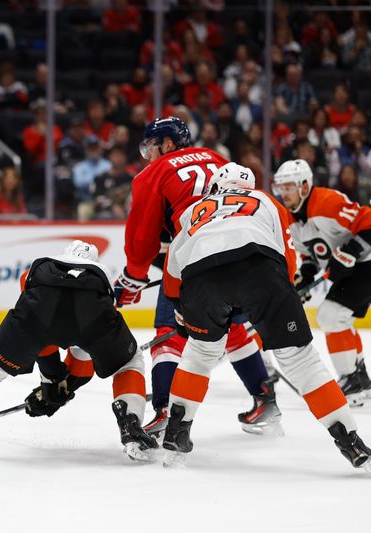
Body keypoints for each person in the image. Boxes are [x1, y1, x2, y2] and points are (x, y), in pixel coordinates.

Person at [162, 162, 371, 471]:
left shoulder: (194, 209)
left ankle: (176, 434)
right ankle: (350, 442)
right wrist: (280, 296)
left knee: (199, 354)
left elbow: (173, 268)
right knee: (300, 360)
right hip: (258, 271)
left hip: (200, 280)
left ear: (216, 188)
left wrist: (180, 307)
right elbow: (286, 255)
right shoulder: (265, 200)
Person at [0, 241, 157, 461]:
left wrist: (51, 379)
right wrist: (61, 385)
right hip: (91, 314)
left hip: (35, 314)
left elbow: (42, 332)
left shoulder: (39, 268)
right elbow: (84, 353)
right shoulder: (101, 276)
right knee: (129, 362)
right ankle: (130, 424)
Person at [114, 116, 274, 437]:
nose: (149, 154)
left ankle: (162, 409)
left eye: (153, 146)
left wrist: (133, 277)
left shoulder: (153, 173)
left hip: (198, 255)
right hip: (244, 251)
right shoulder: (216, 158)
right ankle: (265, 398)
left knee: (168, 331)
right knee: (233, 326)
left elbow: (142, 238)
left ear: (169, 144)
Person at [273, 159, 371, 405]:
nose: (284, 193)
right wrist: (304, 276)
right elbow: (311, 255)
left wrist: (349, 251)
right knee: (340, 318)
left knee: (329, 316)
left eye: (289, 187)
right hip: (356, 268)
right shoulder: (290, 218)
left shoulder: (328, 203)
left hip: (367, 261)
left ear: (305, 186)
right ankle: (359, 379)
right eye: (281, 188)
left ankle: (351, 379)